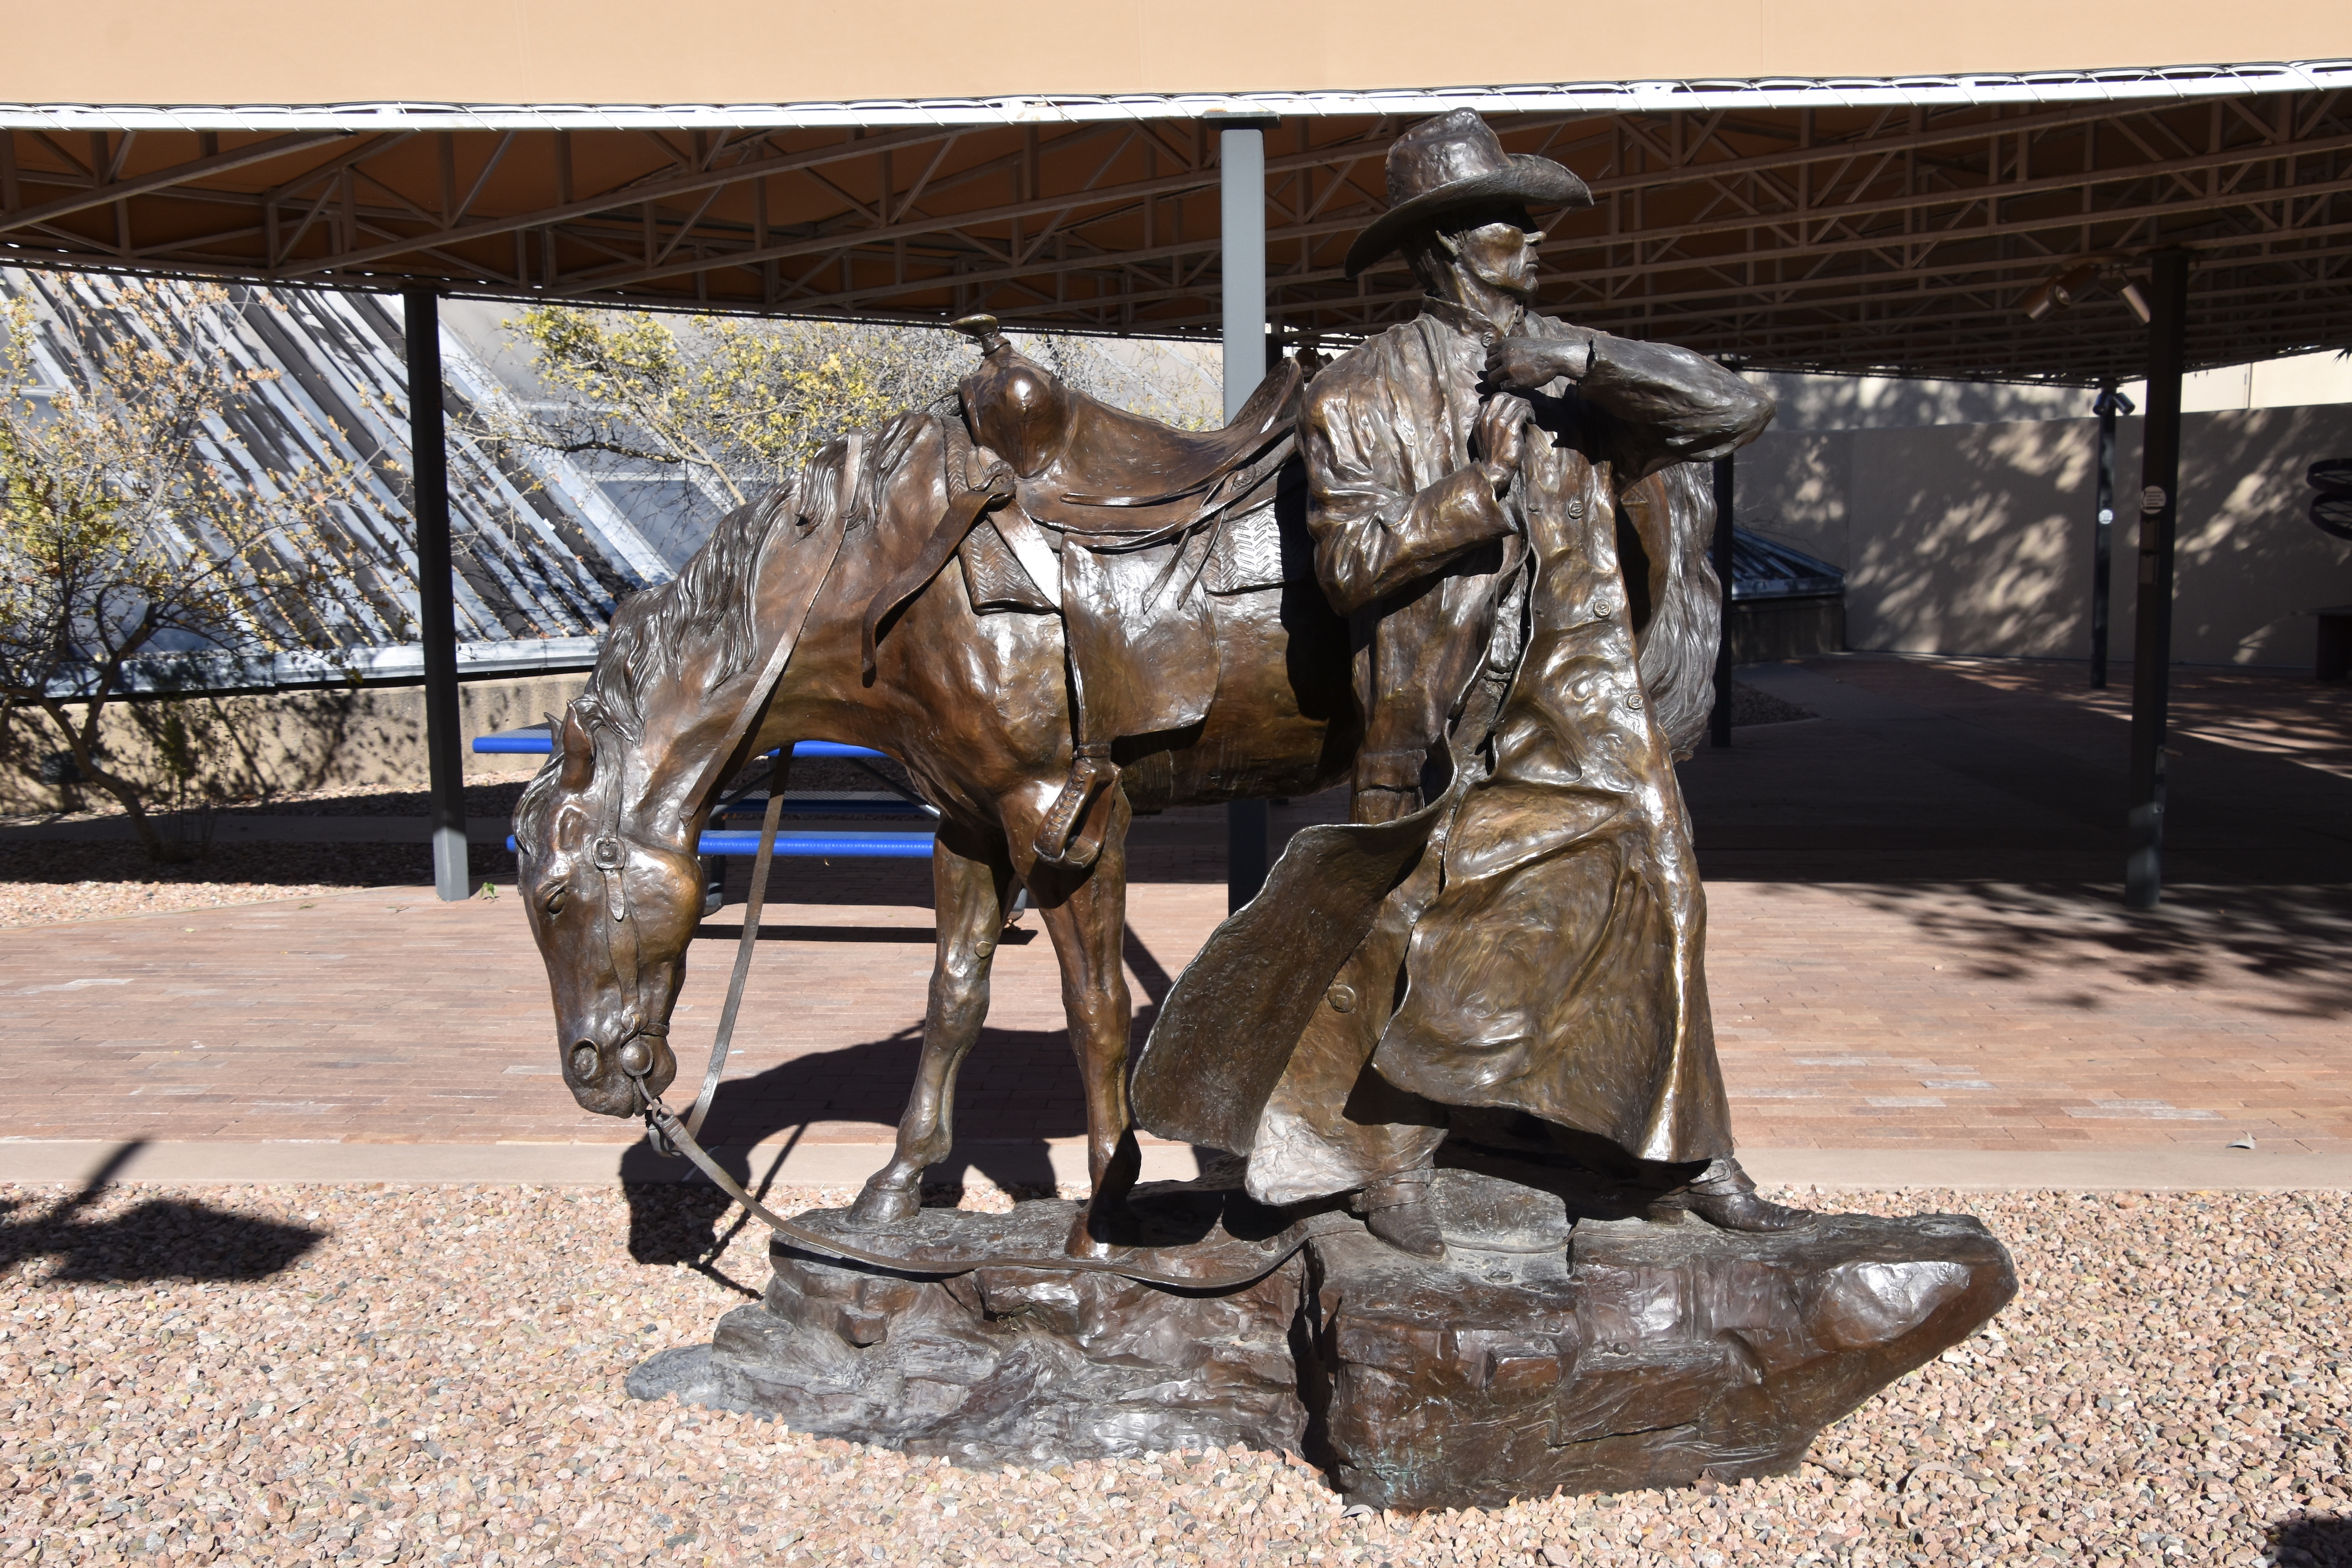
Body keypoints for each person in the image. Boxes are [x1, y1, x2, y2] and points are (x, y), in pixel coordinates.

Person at [1231, 109, 1809, 1255]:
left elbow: (1740, 409)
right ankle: (1384, 1156)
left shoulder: (1572, 369)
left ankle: (1679, 1152)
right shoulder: (1357, 394)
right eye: (1509, 223)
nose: (1534, 242)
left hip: (1580, 686)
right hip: (1442, 707)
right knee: (1407, 935)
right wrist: (1473, 494)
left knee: (1661, 887)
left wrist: (1586, 361)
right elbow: (1348, 566)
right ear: (1447, 242)